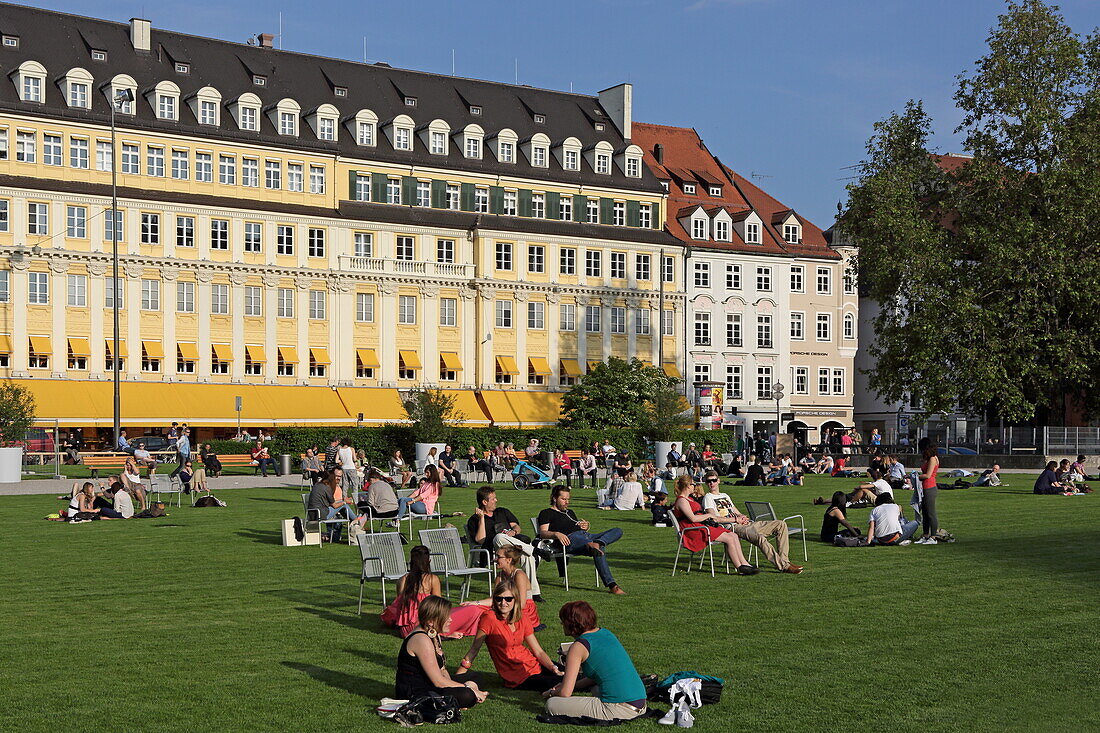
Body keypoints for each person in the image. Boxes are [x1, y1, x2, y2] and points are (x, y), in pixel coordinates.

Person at [542, 601, 647, 722]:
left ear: (570, 623)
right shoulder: (606, 633)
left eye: (562, 621)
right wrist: (570, 685)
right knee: (595, 688)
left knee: (552, 704)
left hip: (620, 708)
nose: (561, 624)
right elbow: (596, 676)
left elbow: (565, 693)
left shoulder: (578, 647)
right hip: (641, 704)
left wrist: (551, 693)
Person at [458, 579, 561, 692]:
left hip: (533, 664)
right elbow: (474, 649)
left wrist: (552, 667)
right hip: (518, 677)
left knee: (570, 673)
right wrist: (457, 679)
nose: (503, 603)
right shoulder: (489, 618)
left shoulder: (522, 617)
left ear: (515, 600)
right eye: (499, 599)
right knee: (561, 681)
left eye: (508, 599)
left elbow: (538, 651)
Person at [393, 595, 487, 709]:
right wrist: (467, 688)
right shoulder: (421, 640)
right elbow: (438, 682)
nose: (451, 620)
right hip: (416, 691)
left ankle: (461, 696)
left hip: (431, 682)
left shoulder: (434, 634)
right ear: (431, 621)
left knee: (476, 677)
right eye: (446, 617)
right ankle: (465, 697)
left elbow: (442, 670)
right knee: (467, 696)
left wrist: (456, 685)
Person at [537, 486, 626, 595]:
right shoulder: (546, 513)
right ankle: (613, 586)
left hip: (586, 536)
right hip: (570, 540)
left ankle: (597, 543)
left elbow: (577, 526)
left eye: (568, 499)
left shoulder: (570, 512)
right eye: (563, 499)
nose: (567, 502)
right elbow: (542, 533)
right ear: (554, 498)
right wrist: (556, 534)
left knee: (618, 530)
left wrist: (585, 526)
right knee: (598, 549)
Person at [466, 486, 548, 602]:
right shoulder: (474, 519)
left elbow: (516, 527)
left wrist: (513, 531)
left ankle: (533, 594)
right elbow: (480, 540)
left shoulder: (502, 511)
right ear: (484, 502)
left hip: (512, 547)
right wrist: (482, 519)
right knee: (499, 537)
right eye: (493, 499)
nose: (496, 500)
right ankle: (534, 550)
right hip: (494, 550)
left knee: (527, 557)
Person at [382, 546, 486, 638]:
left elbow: (400, 607)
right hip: (425, 627)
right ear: (429, 561)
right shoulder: (431, 579)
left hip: (405, 629)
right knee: (473, 609)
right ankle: (443, 634)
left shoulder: (402, 580)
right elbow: (439, 608)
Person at [672, 475, 757, 574]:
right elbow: (693, 518)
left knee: (733, 535)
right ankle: (739, 567)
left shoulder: (689, 499)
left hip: (700, 526)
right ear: (687, 485)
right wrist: (709, 515)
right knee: (729, 539)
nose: (694, 486)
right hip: (693, 530)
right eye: (693, 484)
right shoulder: (682, 500)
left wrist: (710, 516)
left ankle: (745, 564)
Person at [307, 470, 358, 542]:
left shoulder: (317, 485)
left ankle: (355, 520)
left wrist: (342, 501)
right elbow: (334, 505)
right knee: (344, 505)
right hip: (321, 515)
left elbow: (330, 502)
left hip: (312, 513)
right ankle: (356, 521)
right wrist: (344, 502)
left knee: (342, 504)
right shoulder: (327, 488)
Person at [915, 443, 941, 544]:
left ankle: (933, 536)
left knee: (931, 513)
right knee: (925, 513)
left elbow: (928, 475)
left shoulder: (933, 459)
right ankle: (925, 535)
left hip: (929, 487)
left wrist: (915, 477)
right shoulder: (929, 458)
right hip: (924, 487)